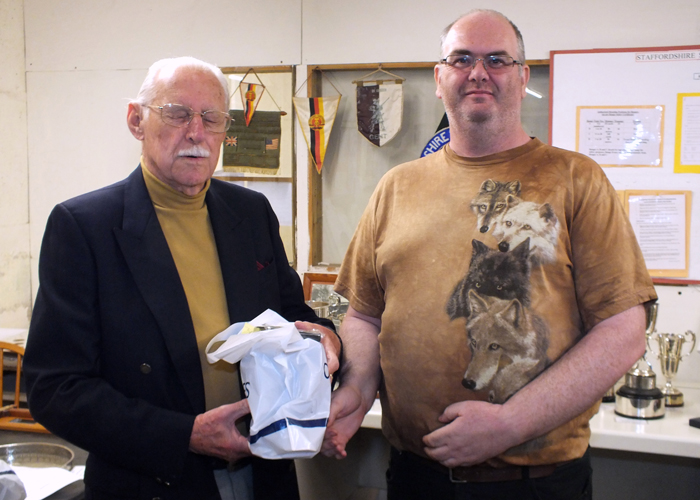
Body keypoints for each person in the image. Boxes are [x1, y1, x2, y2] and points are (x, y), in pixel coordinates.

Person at [322, 9, 657, 500]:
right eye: (461, 59)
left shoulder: (575, 180)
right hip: (416, 478)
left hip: (533, 483)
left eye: (497, 59)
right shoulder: (396, 186)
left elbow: (624, 331)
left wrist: (509, 423)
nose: (478, 72)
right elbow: (365, 317)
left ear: (523, 78)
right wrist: (355, 389)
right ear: (440, 79)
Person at [24, 56, 340, 500]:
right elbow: (54, 387)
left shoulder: (249, 215)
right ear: (136, 120)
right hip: (154, 478)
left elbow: (292, 315)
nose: (196, 133)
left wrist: (326, 338)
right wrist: (183, 434)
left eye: (212, 119)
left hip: (263, 472)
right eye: (177, 114)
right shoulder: (84, 227)